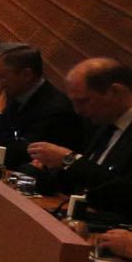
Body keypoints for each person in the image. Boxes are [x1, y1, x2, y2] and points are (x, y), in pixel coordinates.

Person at [25, 58, 132, 195]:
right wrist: (45, 170)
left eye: (83, 101)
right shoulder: (102, 123)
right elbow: (84, 181)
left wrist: (69, 160)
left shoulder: (104, 120)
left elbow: (123, 191)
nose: (77, 110)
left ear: (115, 92)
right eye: (73, 102)